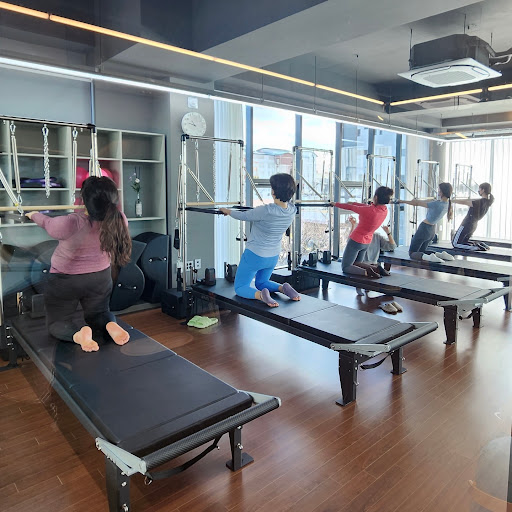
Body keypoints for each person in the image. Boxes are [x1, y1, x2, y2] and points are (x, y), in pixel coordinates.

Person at [26, 176, 132, 353]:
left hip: (65, 281)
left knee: (57, 322)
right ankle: (109, 324)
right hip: (100, 278)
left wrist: (32, 214)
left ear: (85, 201)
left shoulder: (71, 222)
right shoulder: (120, 219)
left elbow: (46, 222)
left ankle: (78, 335)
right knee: (99, 313)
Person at [219, 173, 300, 307]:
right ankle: (282, 288)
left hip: (255, 254)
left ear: (273, 192)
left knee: (240, 287)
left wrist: (227, 211)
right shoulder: (292, 210)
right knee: (262, 282)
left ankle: (261, 295)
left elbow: (244, 216)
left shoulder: (266, 210)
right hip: (273, 256)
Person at [332, 186, 394, 277]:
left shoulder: (369, 211)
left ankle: (367, 272)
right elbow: (365, 207)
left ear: (376, 197)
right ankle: (376, 269)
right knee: (357, 263)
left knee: (346, 267)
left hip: (356, 240)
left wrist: (335, 204)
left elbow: (350, 207)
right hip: (367, 242)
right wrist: (354, 203)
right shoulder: (384, 210)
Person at [398, 182, 454, 262]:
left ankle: (432, 257)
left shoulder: (437, 204)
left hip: (424, 228)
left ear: (442, 192)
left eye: (439, 190)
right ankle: (440, 255)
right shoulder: (447, 204)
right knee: (422, 251)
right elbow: (428, 201)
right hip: (431, 231)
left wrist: (401, 201)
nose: (438, 191)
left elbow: (417, 203)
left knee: (412, 253)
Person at [346, 216, 398, 297]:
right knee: (365, 267)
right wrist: (388, 232)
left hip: (366, 264)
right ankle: (376, 273)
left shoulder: (377, 236)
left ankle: (373, 277)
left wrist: (388, 232)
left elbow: (392, 246)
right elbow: (392, 246)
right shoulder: (372, 235)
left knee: (352, 265)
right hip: (368, 264)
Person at [451, 182, 494, 251]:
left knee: (455, 243)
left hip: (467, 224)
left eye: (479, 189)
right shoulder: (486, 202)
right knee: (463, 242)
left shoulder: (479, 202)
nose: (478, 191)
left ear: (483, 190)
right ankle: (479, 244)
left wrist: (452, 201)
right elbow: (469, 200)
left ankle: (477, 247)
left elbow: (465, 202)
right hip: (473, 225)